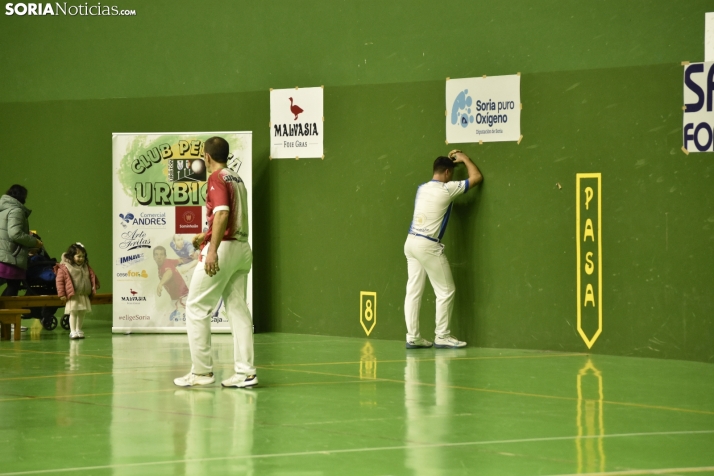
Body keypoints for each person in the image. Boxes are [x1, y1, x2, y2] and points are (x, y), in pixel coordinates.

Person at [174, 136, 256, 388]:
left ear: (207, 158)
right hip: (243, 249)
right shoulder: (236, 178)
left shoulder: (215, 178)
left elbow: (221, 213)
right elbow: (230, 217)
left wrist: (213, 249)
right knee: (237, 309)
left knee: (196, 307)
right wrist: (207, 235)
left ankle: (202, 372)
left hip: (226, 249)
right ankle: (245, 372)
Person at [404, 149, 482, 349]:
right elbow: (476, 177)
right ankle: (442, 335)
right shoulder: (447, 189)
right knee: (446, 290)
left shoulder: (421, 188)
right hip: (427, 245)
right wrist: (464, 158)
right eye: (452, 174)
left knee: (413, 291)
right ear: (448, 173)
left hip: (410, 242)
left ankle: (413, 336)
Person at [0, 185, 43, 298]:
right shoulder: (16, 210)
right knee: (13, 286)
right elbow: (15, 234)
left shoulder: (3, 209)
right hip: (10, 257)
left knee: (12, 286)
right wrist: (35, 242)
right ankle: (5, 315)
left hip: (2, 254)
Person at [54, 243, 100, 339]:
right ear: (71, 256)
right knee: (73, 312)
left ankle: (79, 329)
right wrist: (61, 294)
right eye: (78, 256)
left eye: (83, 256)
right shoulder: (65, 267)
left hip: (83, 294)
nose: (81, 258)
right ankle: (73, 331)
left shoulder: (85, 266)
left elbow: (91, 276)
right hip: (73, 295)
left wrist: (95, 285)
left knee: (82, 312)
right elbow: (59, 281)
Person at [153, 245, 189, 321]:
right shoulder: (168, 261)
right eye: (157, 254)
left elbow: (169, 272)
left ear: (165, 256)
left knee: (180, 322)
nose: (159, 257)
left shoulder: (165, 265)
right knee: (169, 320)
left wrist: (160, 284)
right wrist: (192, 258)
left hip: (182, 298)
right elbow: (180, 260)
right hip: (175, 300)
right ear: (154, 257)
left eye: (161, 254)